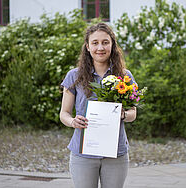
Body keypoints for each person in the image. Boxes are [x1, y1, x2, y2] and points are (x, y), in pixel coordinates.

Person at [60, 22, 137, 188]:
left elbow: (133, 113)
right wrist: (73, 121)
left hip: (116, 153)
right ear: (87, 47)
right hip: (83, 153)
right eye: (95, 43)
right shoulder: (74, 76)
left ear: (112, 45)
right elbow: (64, 113)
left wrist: (123, 114)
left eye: (105, 42)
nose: (100, 47)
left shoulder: (124, 76)